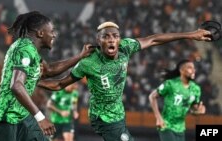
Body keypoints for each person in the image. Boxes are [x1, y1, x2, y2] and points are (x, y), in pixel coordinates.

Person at [37, 21, 211, 141]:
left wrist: (191, 35)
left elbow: (154, 39)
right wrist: (35, 82)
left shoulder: (126, 47)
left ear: (119, 39)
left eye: (115, 36)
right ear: (99, 40)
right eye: (106, 36)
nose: (111, 39)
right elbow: (60, 83)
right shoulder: (89, 62)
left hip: (118, 114)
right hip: (103, 117)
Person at [0, 11, 93, 141]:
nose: (54, 34)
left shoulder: (32, 51)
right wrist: (40, 117)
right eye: (52, 31)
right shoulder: (24, 49)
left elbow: (49, 70)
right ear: (40, 33)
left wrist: (80, 56)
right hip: (5, 118)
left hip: (21, 116)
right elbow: (16, 86)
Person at [149, 59, 206, 141]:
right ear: (182, 70)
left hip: (181, 128)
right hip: (166, 124)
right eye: (190, 68)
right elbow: (152, 96)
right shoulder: (170, 84)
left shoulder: (196, 89)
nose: (193, 70)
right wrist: (158, 118)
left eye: (194, 68)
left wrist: (199, 111)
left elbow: (193, 109)